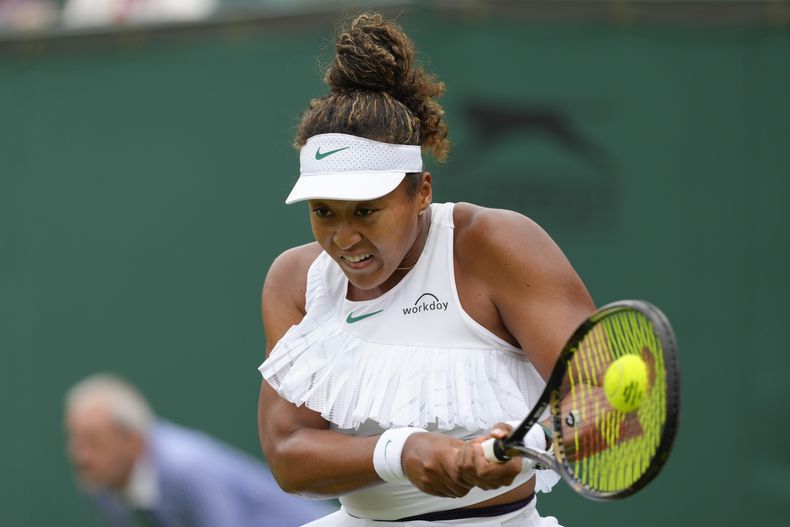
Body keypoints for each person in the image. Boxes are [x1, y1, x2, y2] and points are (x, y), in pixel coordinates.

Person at [257, 12, 596, 527]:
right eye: (323, 212)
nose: (343, 238)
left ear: (422, 193)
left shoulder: (493, 245)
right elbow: (288, 453)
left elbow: (609, 404)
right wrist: (402, 451)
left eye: (366, 210)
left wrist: (530, 440)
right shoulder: (295, 281)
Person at [65, 373, 336, 527]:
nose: (81, 456)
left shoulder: (186, 468)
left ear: (132, 440)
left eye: (93, 442)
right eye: (75, 440)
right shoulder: (100, 486)